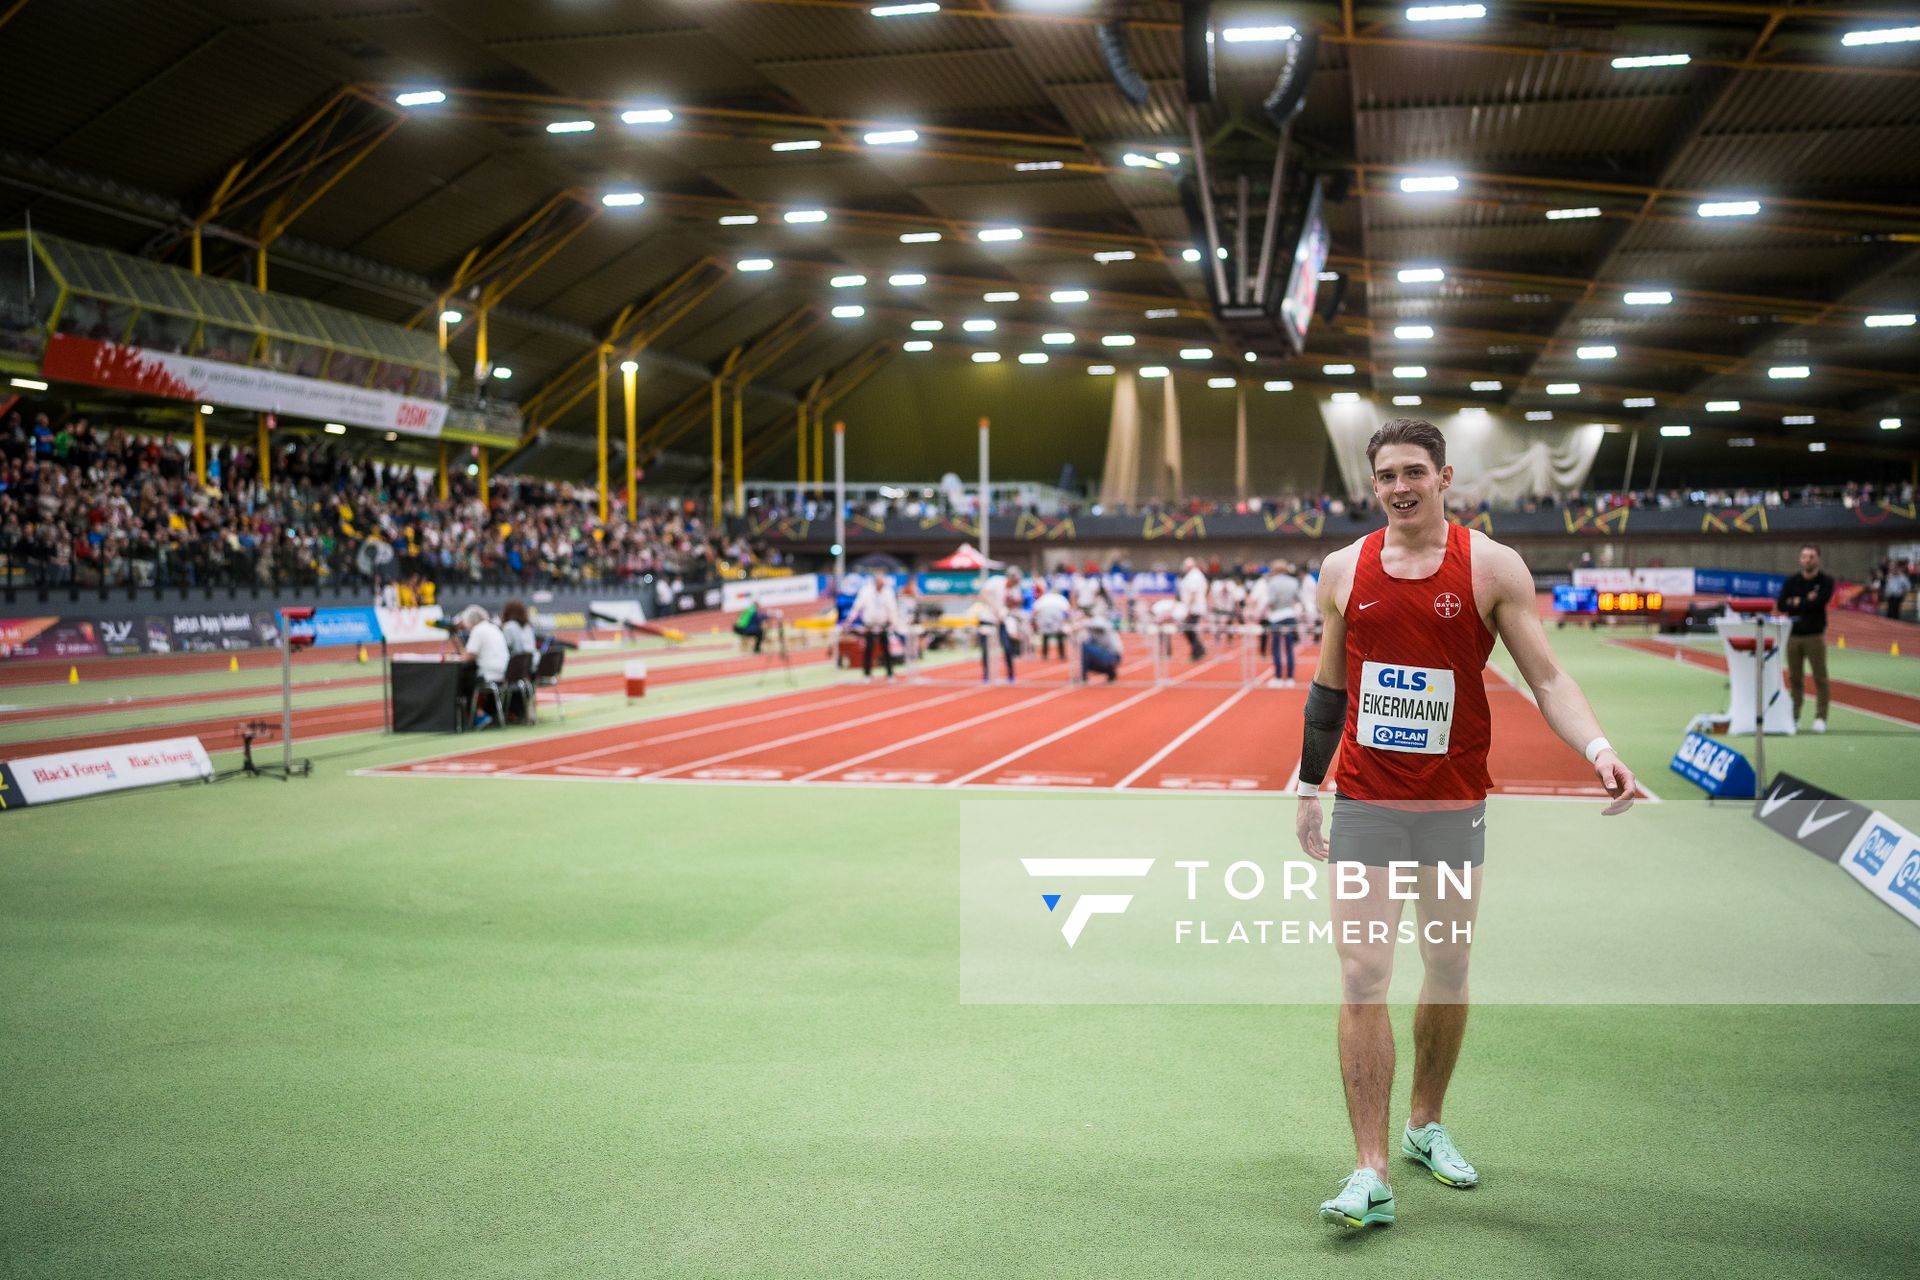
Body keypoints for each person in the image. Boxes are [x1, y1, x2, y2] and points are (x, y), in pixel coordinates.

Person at [1295, 418, 1636, 1231]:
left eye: (1415, 470)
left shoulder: (1489, 565)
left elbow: (1546, 679)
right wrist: (1310, 785)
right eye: (1386, 475)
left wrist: (1597, 747)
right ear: (1373, 484)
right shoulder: (1343, 569)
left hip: (1454, 805)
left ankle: (1424, 1125)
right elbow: (1328, 689)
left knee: (1446, 965)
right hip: (1369, 802)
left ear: (1445, 478)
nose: (1400, 485)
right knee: (1360, 974)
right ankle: (1369, 1168)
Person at [1776, 544, 1834, 733]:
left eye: (1811, 556)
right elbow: (1782, 605)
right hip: (1793, 635)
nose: (1807, 560)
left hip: (1814, 635)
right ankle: (1794, 717)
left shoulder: (1825, 581)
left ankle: (1820, 717)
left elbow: (1819, 602)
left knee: (1820, 677)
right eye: (1804, 556)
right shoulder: (1792, 581)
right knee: (1795, 679)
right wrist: (1804, 600)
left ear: (1818, 559)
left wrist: (1797, 601)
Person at [453, 604, 510, 729]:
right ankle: (484, 713)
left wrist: (456, 642)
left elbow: (467, 657)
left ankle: (477, 715)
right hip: (503, 672)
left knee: (460, 680)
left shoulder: (478, 630)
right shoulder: (493, 628)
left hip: (489, 674)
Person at [849, 573, 901, 681]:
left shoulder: (888, 592)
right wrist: (850, 619)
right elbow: (857, 605)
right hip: (869, 625)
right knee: (868, 649)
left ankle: (890, 674)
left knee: (886, 649)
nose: (881, 586)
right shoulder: (866, 591)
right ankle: (867, 674)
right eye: (879, 583)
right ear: (875, 582)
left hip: (883, 625)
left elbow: (892, 608)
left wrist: (894, 623)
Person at [979, 565, 1023, 683]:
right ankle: (986, 674)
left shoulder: (1014, 590)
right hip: (988, 618)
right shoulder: (996, 581)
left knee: (1007, 647)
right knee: (985, 648)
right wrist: (993, 609)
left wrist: (1011, 605)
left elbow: (1015, 604)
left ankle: (1010, 674)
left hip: (1002, 620)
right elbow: (983, 594)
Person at [1265, 558, 1303, 685]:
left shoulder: (1272, 582)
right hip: (1290, 615)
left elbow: (1271, 601)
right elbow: (1298, 598)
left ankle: (1278, 677)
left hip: (1276, 616)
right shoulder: (1293, 581)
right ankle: (1290, 678)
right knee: (1289, 647)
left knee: (1276, 648)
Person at [1177, 556, 1208, 660]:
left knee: (1189, 629)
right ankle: (1200, 649)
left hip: (1193, 608)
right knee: (1189, 630)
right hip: (1195, 607)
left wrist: (1188, 608)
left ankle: (1197, 652)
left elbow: (1193, 593)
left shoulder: (1194, 576)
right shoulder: (1196, 575)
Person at [1032, 583, 1071, 660]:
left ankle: (1044, 655)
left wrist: (1035, 620)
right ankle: (1061, 655)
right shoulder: (1061, 598)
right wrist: (1067, 621)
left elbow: (1035, 609)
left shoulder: (1044, 598)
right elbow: (1067, 610)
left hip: (1045, 616)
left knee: (1046, 636)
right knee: (1059, 635)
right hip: (1055, 616)